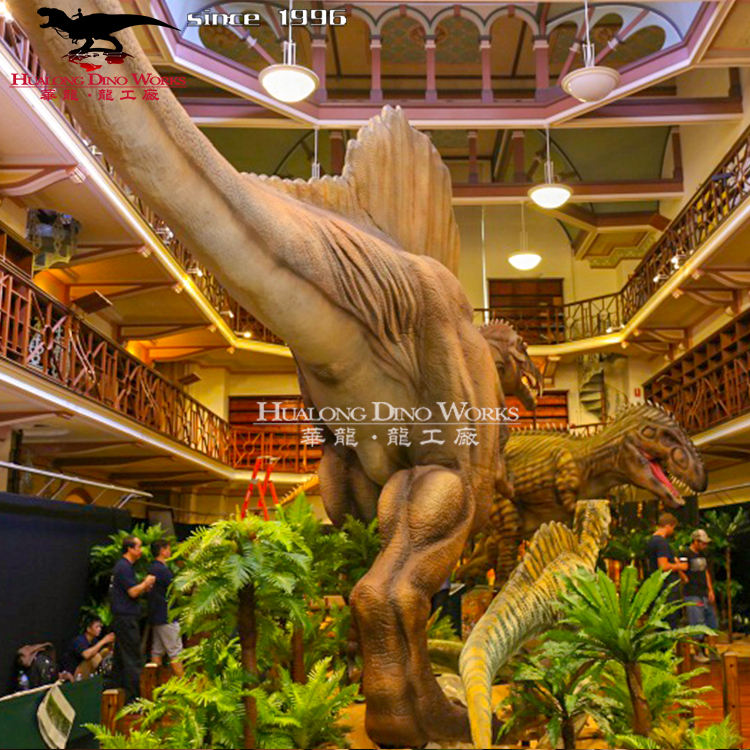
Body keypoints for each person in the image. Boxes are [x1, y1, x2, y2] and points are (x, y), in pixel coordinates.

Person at [110, 536, 155, 702]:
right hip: (126, 619)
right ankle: (135, 700)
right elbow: (133, 592)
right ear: (129, 549)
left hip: (123, 618)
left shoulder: (124, 567)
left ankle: (118, 695)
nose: (141, 551)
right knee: (132, 658)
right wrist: (146, 582)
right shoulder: (124, 567)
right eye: (138, 547)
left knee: (120, 658)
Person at [646, 512, 688, 629]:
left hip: (657, 585)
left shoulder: (651, 541)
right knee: (670, 619)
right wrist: (680, 567)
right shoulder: (661, 542)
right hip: (667, 588)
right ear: (668, 526)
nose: (673, 531)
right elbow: (663, 566)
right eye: (673, 528)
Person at [148, 539, 183, 677]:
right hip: (167, 615)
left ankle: (153, 682)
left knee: (157, 650)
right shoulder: (162, 570)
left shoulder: (153, 568)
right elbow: (175, 588)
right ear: (162, 550)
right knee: (176, 651)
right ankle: (184, 684)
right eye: (168, 548)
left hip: (157, 615)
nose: (170, 551)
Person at [684, 529, 719, 661]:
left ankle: (712, 650)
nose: (705, 545)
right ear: (695, 541)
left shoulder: (703, 555)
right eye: (702, 543)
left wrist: (710, 590)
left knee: (712, 621)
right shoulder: (685, 554)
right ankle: (699, 652)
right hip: (693, 593)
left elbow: (705, 572)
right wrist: (684, 578)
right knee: (697, 623)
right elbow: (679, 566)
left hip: (704, 592)